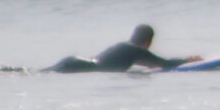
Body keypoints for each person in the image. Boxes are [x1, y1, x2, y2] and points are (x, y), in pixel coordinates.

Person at [48, 25, 199, 73]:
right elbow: (163, 64)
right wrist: (185, 60)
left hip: (75, 61)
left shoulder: (124, 46)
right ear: (148, 42)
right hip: (78, 65)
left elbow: (152, 64)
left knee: (42, 72)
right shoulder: (136, 50)